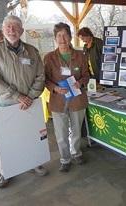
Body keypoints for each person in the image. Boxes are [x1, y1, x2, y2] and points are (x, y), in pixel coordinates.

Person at [0, 15, 47, 188]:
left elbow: (40, 76)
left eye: (15, 27)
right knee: (7, 141)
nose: (12, 30)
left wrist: (31, 96)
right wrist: (18, 96)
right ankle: (6, 172)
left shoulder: (32, 51)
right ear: (3, 29)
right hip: (7, 103)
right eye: (8, 27)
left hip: (31, 102)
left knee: (31, 138)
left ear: (21, 30)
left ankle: (33, 164)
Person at [44, 22, 90, 172]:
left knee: (76, 129)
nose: (62, 38)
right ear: (55, 38)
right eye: (59, 35)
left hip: (77, 98)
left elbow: (86, 75)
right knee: (61, 132)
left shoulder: (80, 55)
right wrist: (55, 88)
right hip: (58, 99)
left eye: (65, 35)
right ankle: (65, 158)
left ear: (70, 37)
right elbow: (45, 79)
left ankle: (76, 153)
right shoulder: (50, 57)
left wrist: (80, 82)